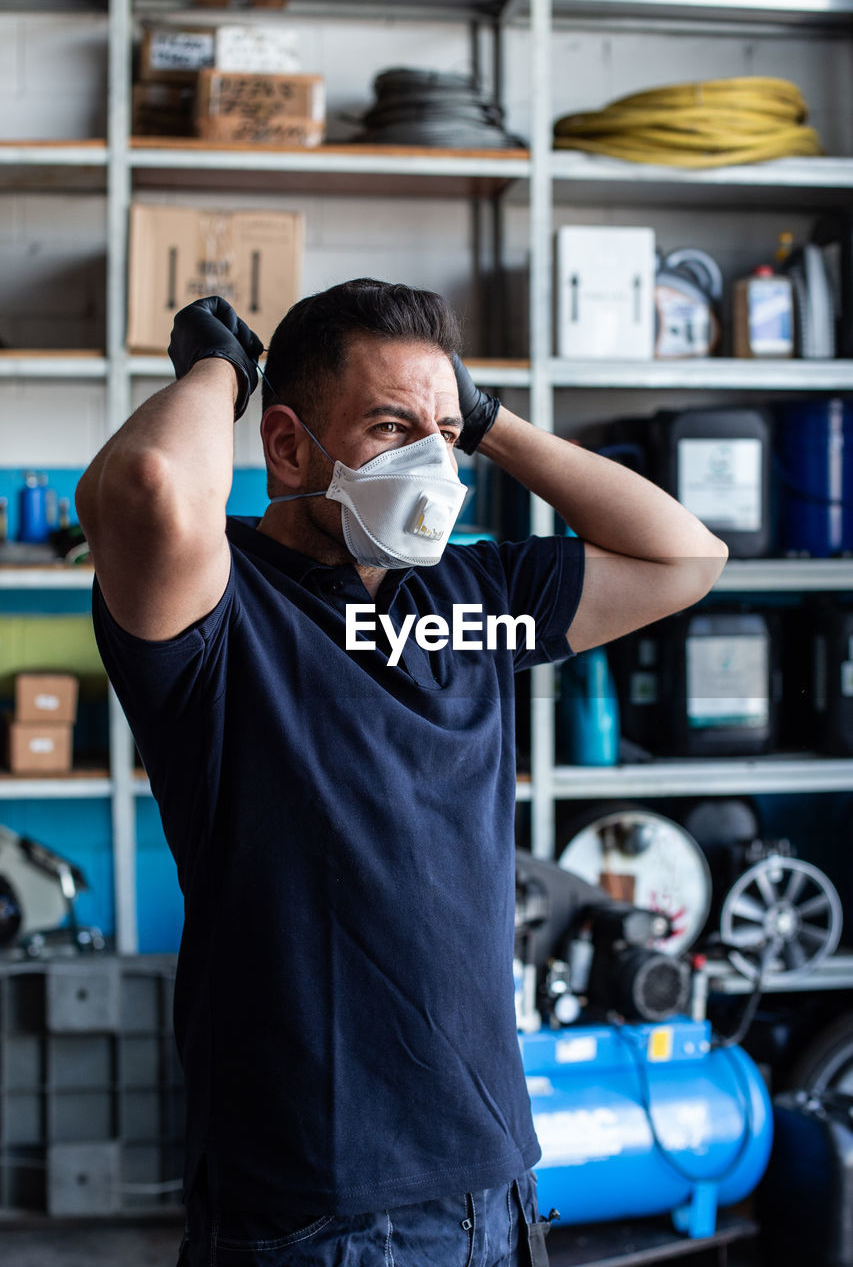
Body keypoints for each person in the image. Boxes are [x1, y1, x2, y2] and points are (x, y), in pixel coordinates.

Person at [76, 281, 727, 1267]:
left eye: (443, 434)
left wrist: (492, 422)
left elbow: (685, 555)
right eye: (390, 426)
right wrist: (220, 368)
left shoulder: (474, 594)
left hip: (495, 1181)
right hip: (322, 1204)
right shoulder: (221, 611)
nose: (433, 461)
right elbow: (152, 484)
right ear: (289, 445)